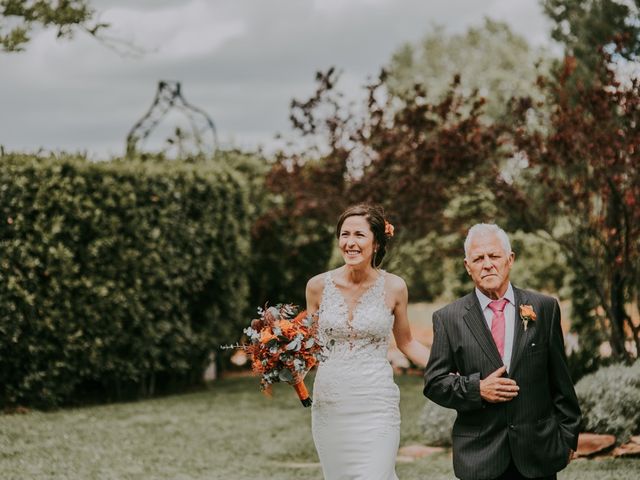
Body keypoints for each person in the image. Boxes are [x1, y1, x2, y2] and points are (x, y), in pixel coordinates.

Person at [424, 223, 581, 480]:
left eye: (494, 256)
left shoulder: (545, 308)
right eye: (478, 258)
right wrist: (478, 389)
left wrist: (568, 437)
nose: (487, 264)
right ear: (467, 266)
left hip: (537, 453)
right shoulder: (448, 318)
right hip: (480, 457)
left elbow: (561, 381)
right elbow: (434, 383)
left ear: (510, 260)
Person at [306, 203, 429, 480]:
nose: (350, 242)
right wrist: (283, 365)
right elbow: (308, 347)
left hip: (376, 404)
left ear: (376, 243)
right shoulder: (316, 287)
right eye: (344, 234)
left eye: (359, 235)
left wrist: (449, 368)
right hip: (330, 405)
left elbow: (407, 342)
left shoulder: (395, 287)